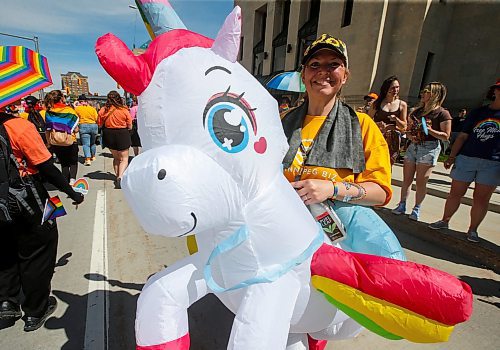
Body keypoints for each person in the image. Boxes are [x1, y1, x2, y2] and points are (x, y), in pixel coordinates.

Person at [281, 33, 393, 349]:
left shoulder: (361, 126)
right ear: (304, 74)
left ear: (345, 74)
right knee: (282, 318)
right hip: (281, 236)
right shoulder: (281, 123)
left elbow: (381, 192)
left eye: (334, 64)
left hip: (331, 238)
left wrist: (332, 188)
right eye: (314, 64)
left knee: (317, 322)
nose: (323, 71)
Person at [0, 102, 84, 332]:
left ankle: (6, 303)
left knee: (5, 251)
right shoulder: (18, 126)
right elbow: (47, 167)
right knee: (41, 250)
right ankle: (36, 310)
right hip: (30, 195)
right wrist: (72, 193)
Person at [429, 80, 500, 242]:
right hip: (467, 158)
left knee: (481, 198)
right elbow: (462, 136)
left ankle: (472, 230)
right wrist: (451, 156)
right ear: (495, 91)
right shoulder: (478, 112)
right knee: (455, 193)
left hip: (492, 163)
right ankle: (444, 220)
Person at [392, 82, 452, 221]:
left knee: (420, 182)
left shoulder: (442, 113)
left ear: (435, 94)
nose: (423, 94)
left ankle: (417, 208)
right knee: (406, 179)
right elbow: (408, 129)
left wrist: (429, 130)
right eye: (423, 91)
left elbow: (446, 135)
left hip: (429, 147)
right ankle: (402, 204)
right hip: (414, 146)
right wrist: (411, 134)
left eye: (427, 91)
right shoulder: (417, 111)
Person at [368, 76, 408, 165]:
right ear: (386, 89)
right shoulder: (377, 103)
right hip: (378, 136)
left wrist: (396, 120)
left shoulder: (402, 105)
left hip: (393, 139)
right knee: (374, 163)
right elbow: (367, 121)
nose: (395, 90)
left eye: (397, 87)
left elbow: (404, 126)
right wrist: (377, 124)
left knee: (388, 164)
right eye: (393, 88)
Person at [43, 90, 80, 185]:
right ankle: (72, 180)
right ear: (61, 98)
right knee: (73, 162)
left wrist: (48, 143)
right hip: (70, 141)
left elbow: (47, 129)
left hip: (56, 142)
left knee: (64, 163)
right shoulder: (70, 111)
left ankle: (65, 183)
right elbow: (75, 129)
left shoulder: (49, 112)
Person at [98, 90, 132, 188]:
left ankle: (117, 175)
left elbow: (99, 124)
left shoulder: (103, 110)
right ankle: (120, 177)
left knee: (116, 157)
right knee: (124, 158)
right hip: (122, 133)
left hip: (109, 134)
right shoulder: (124, 110)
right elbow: (129, 125)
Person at [75, 94, 99, 166]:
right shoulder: (92, 109)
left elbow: (75, 118)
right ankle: (93, 156)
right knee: (93, 143)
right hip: (93, 125)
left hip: (83, 125)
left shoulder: (77, 109)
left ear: (79, 102)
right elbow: (96, 118)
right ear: (86, 101)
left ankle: (87, 159)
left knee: (86, 144)